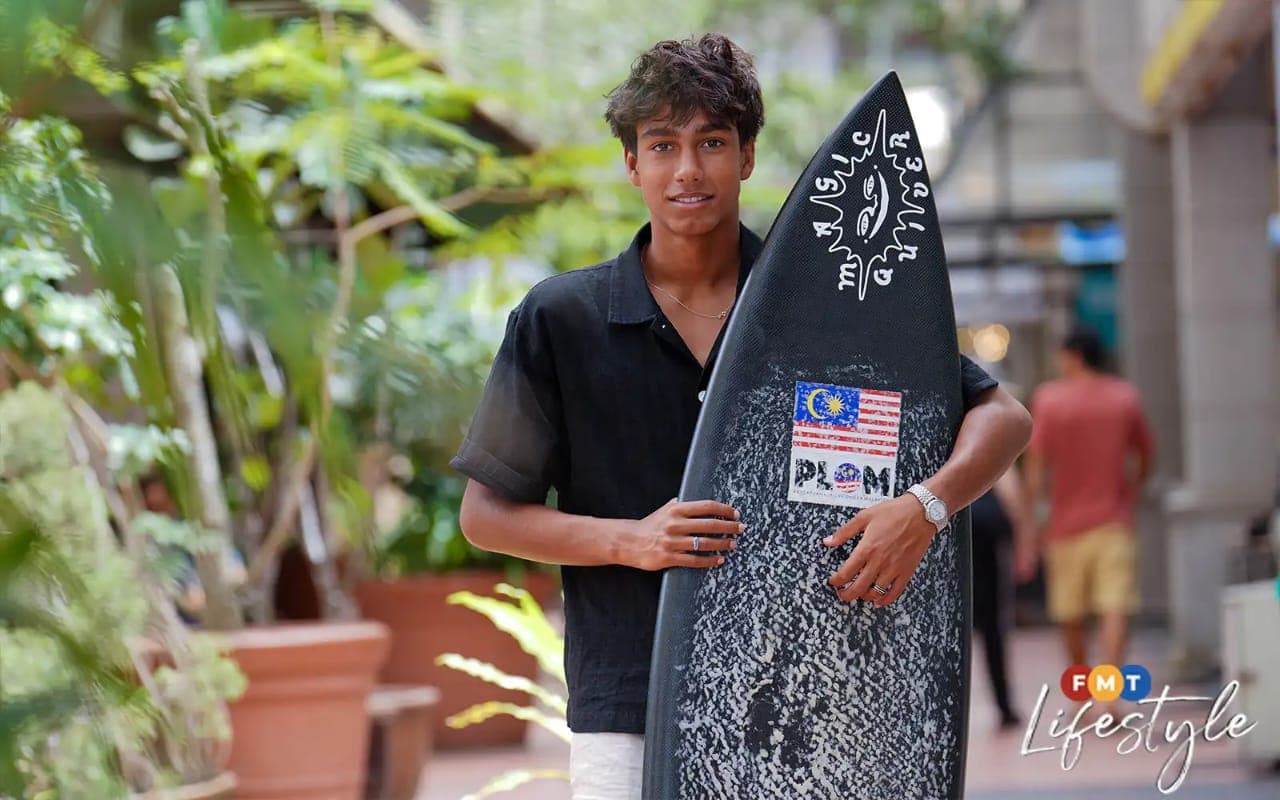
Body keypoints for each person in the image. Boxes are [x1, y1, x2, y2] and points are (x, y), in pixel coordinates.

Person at [451, 34, 1032, 800]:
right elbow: (485, 515)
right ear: (633, 164)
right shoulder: (563, 318)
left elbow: (1006, 418)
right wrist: (629, 539)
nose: (687, 170)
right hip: (630, 707)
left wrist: (925, 506)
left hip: (812, 703)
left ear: (747, 156)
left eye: (711, 143)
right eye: (662, 145)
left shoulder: (821, 314)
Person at [1023, 326, 1154, 687]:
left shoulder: (1049, 400)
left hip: (1064, 525)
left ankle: (1082, 692)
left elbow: (1036, 472)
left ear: (1073, 355)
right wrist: (1131, 491)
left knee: (1070, 612)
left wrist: (1032, 527)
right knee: (1115, 606)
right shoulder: (1125, 397)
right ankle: (1109, 693)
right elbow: (1145, 456)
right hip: (1115, 520)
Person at [971, 467, 1035, 729]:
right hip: (988, 538)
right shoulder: (989, 442)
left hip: (956, 532)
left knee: (952, 631)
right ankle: (1004, 705)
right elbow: (1012, 493)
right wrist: (1024, 545)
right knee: (993, 628)